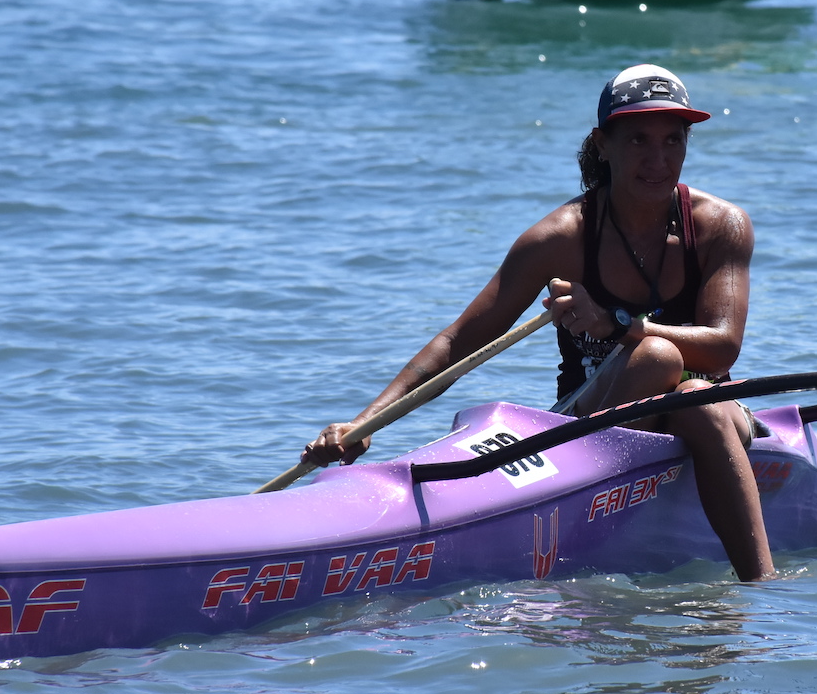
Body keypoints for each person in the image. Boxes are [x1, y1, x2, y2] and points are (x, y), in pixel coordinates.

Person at [301, 64, 774, 581]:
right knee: (659, 361)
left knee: (698, 406)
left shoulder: (720, 225)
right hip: (583, 423)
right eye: (638, 139)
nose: (658, 160)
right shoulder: (558, 239)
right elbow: (460, 343)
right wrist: (364, 425)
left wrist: (615, 324)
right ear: (602, 144)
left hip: (704, 403)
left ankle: (760, 593)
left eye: (673, 140)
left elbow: (723, 347)